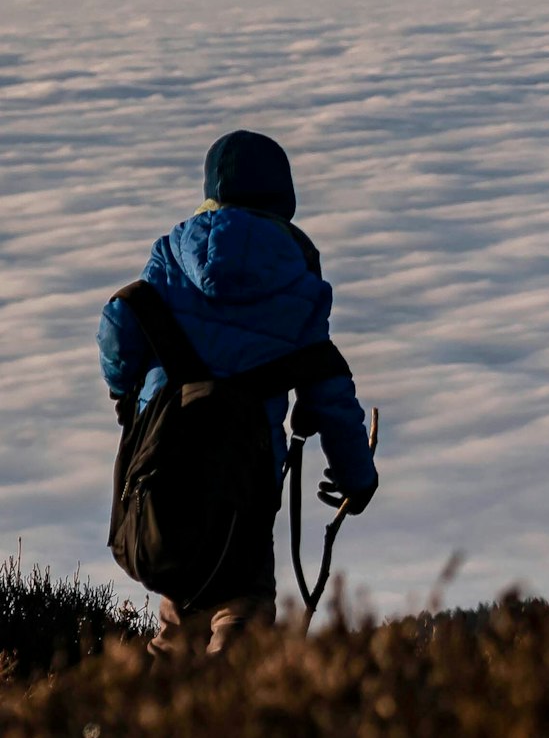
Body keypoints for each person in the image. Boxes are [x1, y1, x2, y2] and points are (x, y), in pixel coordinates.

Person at [98, 131, 379, 658]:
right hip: (244, 490)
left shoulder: (169, 253)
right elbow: (328, 386)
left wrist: (127, 399)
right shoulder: (298, 276)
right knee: (243, 612)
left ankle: (136, 728)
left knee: (178, 616)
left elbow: (118, 324)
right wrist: (356, 478)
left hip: (164, 476)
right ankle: (230, 727)